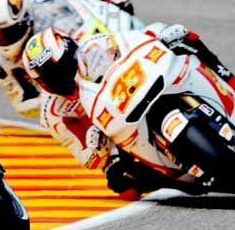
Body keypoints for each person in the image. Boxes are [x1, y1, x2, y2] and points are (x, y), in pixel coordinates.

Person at [21, 24, 235, 198]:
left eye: (62, 69)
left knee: (185, 39)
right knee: (123, 183)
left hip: (135, 91)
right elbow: (87, 156)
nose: (61, 80)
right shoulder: (54, 112)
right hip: (115, 138)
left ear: (71, 52)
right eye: (52, 79)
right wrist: (98, 148)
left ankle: (228, 81)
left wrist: (157, 34)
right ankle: (176, 182)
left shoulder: (94, 47)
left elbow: (131, 40)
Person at [0, 0, 139, 118]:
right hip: (75, 97)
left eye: (10, 32)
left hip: (96, 48)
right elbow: (23, 106)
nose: (3, 40)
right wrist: (53, 94)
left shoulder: (41, 3)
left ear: (26, 18)